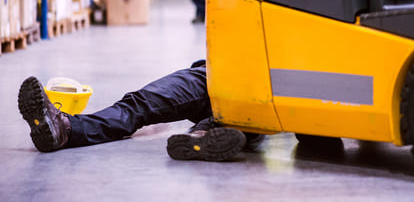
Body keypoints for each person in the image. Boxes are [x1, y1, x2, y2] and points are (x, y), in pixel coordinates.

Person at [17, 60, 264, 161]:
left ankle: (200, 138)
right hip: (213, 71)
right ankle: (64, 129)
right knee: (138, 102)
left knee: (246, 116)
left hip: (263, 92)